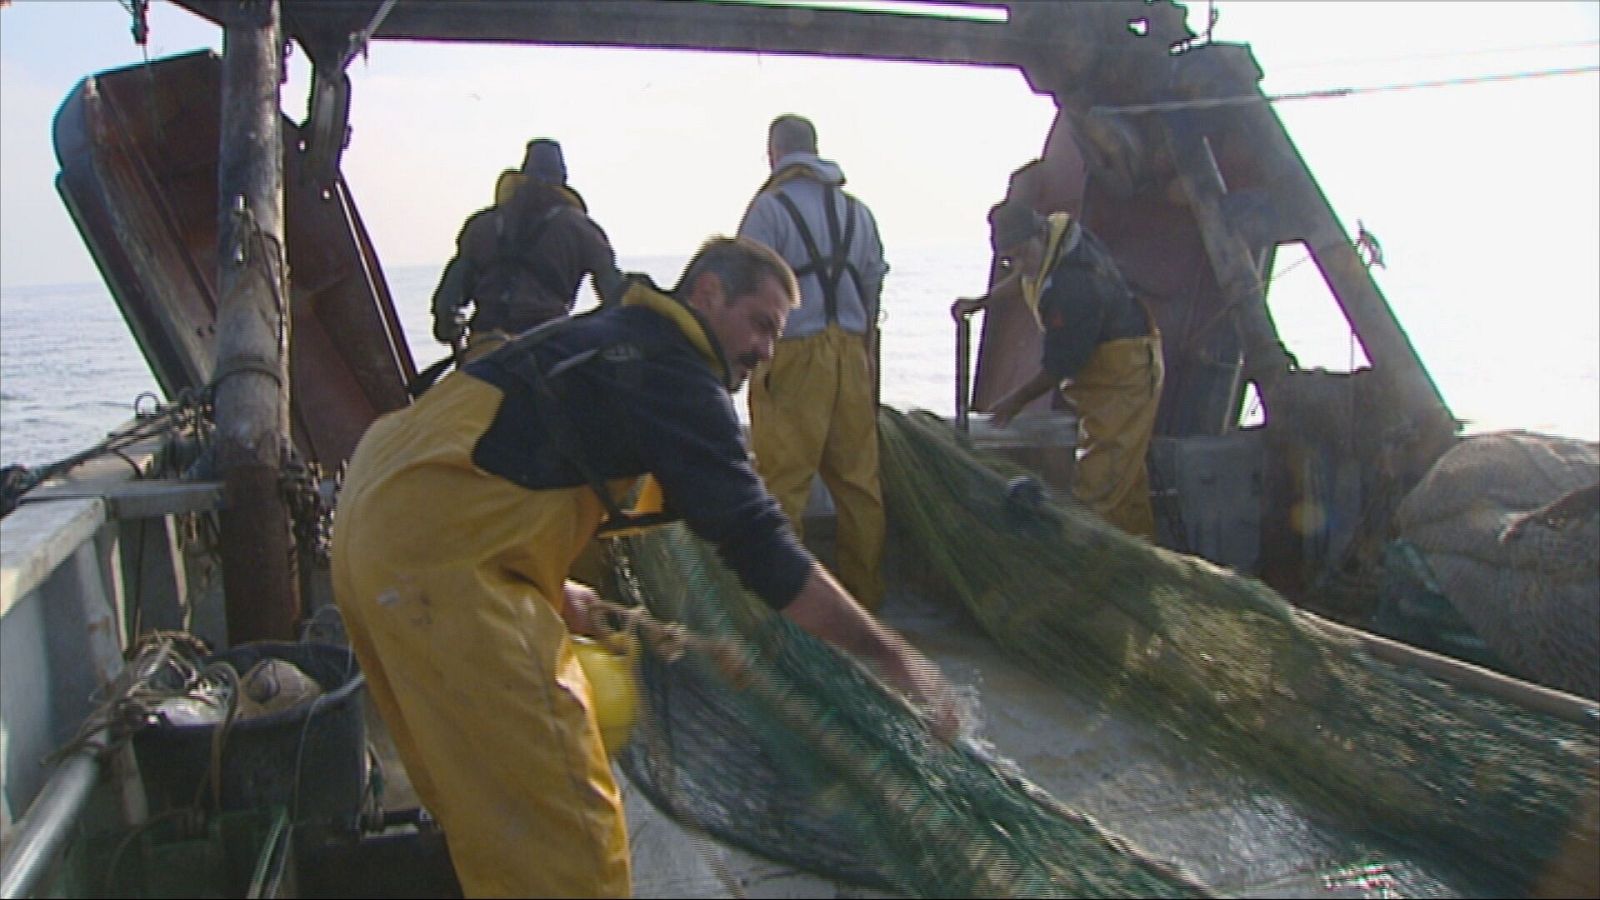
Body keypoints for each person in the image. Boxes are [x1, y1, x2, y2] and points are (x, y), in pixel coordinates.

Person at [332, 236, 956, 897]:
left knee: (486, 799)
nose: (767, 350)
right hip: (434, 561)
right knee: (568, 830)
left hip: (376, 523)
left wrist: (548, 582)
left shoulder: (611, 334)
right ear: (709, 293)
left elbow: (505, 466)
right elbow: (759, 543)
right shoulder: (676, 370)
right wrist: (884, 653)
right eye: (762, 324)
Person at [736, 113, 890, 611]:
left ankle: (786, 612)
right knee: (859, 486)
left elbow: (748, 288)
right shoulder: (858, 212)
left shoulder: (770, 208)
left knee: (783, 485)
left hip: (795, 356)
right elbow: (873, 284)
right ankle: (864, 602)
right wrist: (864, 353)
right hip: (850, 353)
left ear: (773, 153)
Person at [953, 200, 1164, 539]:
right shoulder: (1053, 241)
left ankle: (1105, 572)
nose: (1018, 265)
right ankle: (1143, 555)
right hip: (1101, 380)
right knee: (1126, 481)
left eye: (1022, 254)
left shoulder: (1072, 287)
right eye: (1009, 259)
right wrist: (983, 301)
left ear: (1038, 236)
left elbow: (1060, 366)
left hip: (1126, 378)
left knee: (1100, 488)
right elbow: (1024, 277)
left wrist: (1014, 401)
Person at [430, 138, 623, 362]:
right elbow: (615, 296)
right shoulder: (581, 228)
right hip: (548, 348)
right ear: (562, 180)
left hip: (484, 351)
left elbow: (446, 306)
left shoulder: (481, 225)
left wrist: (449, 328)